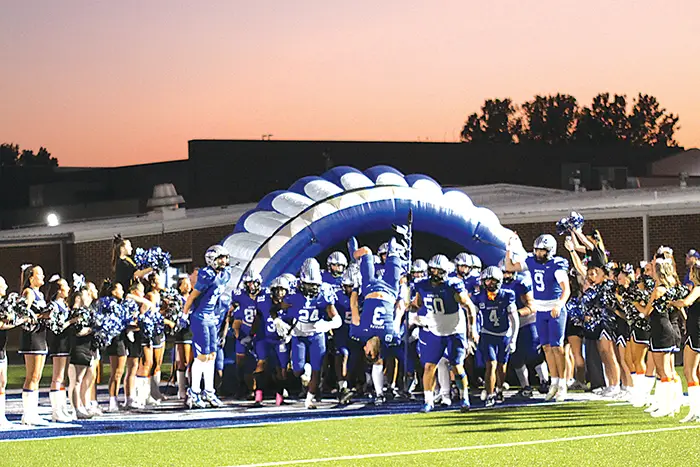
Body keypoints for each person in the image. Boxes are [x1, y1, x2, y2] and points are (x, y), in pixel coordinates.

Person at [506, 234, 570, 402]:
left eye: (542, 251)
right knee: (547, 348)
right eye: (537, 250)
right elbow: (509, 266)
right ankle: (554, 381)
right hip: (540, 310)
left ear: (550, 251)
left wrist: (559, 305)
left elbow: (566, 290)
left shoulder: (557, 265)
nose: (538, 254)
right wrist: (509, 250)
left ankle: (562, 384)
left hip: (555, 308)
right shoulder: (532, 261)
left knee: (558, 347)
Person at [411, 254, 477, 413]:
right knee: (429, 366)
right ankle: (428, 401)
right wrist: (410, 309)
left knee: (457, 366)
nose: (434, 273)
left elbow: (469, 306)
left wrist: (472, 329)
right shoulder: (423, 285)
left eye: (438, 271)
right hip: (434, 330)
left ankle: (464, 397)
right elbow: (417, 304)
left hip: (454, 330)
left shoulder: (453, 285)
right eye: (432, 270)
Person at [282, 258, 340, 409]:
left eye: (315, 285)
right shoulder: (293, 292)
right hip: (299, 335)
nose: (313, 288)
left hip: (316, 335)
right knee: (297, 370)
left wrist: (327, 325)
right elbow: (279, 308)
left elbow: (337, 319)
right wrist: (282, 323)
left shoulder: (324, 292)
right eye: (309, 285)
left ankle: (309, 399)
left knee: (317, 369)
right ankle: (304, 374)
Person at [636, 257, 686, 417]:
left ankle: (667, 407)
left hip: (661, 331)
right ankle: (673, 403)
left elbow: (646, 312)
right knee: (669, 370)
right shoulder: (671, 287)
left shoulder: (658, 290)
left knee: (662, 370)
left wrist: (634, 302)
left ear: (658, 272)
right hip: (670, 329)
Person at [183, 245, 231, 409]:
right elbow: (192, 297)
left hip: (212, 317)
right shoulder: (207, 274)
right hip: (201, 317)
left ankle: (209, 391)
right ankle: (194, 391)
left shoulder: (225, 274)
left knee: (211, 355)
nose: (224, 261)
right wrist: (184, 314)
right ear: (212, 260)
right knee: (202, 356)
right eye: (220, 258)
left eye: (225, 257)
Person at [472, 267, 518, 406]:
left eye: (492, 281)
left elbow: (514, 318)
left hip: (504, 334)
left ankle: (499, 388)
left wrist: (513, 339)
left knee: (501, 366)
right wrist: (472, 332)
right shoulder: (479, 297)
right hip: (487, 333)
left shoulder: (507, 295)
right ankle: (490, 394)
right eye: (487, 281)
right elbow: (472, 316)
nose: (489, 284)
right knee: (490, 364)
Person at [18, 264, 51, 426]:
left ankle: (33, 413)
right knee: (32, 376)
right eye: (40, 274)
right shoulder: (29, 292)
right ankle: (28, 414)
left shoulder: (39, 293)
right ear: (31, 277)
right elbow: (23, 315)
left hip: (40, 336)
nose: (43, 277)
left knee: (37, 377)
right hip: (32, 338)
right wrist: (42, 315)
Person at [253, 275, 292, 406]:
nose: (280, 293)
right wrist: (251, 334)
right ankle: (258, 396)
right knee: (261, 363)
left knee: (282, 368)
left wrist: (290, 334)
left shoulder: (290, 304)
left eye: (283, 290)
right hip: (264, 338)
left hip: (280, 340)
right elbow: (258, 318)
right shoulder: (264, 301)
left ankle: (279, 397)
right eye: (277, 290)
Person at [671, 263, 700, 422]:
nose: (689, 273)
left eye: (691, 271)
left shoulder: (698, 288)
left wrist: (672, 302)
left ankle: (695, 410)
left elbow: (686, 302)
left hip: (696, 333)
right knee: (693, 372)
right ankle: (695, 409)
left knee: (689, 371)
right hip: (693, 331)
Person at [230, 270, 264, 403]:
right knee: (240, 362)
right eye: (248, 283)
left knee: (261, 361)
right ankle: (242, 386)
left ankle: (260, 389)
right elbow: (232, 313)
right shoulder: (240, 296)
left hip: (260, 334)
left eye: (253, 283)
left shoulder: (264, 295)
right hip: (244, 332)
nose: (251, 286)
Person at [46, 276, 74, 422]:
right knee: (57, 376)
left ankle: (62, 408)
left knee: (63, 378)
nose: (68, 289)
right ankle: (56, 411)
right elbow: (57, 327)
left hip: (66, 342)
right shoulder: (54, 306)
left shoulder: (64, 304)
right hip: (58, 343)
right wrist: (72, 320)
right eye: (65, 286)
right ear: (59, 290)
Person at [174, 273, 195, 400]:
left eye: (189, 284)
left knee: (192, 361)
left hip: (194, 329)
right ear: (179, 287)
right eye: (185, 284)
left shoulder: (194, 297)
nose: (187, 286)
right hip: (183, 331)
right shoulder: (177, 299)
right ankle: (181, 389)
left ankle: (192, 388)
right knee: (184, 360)